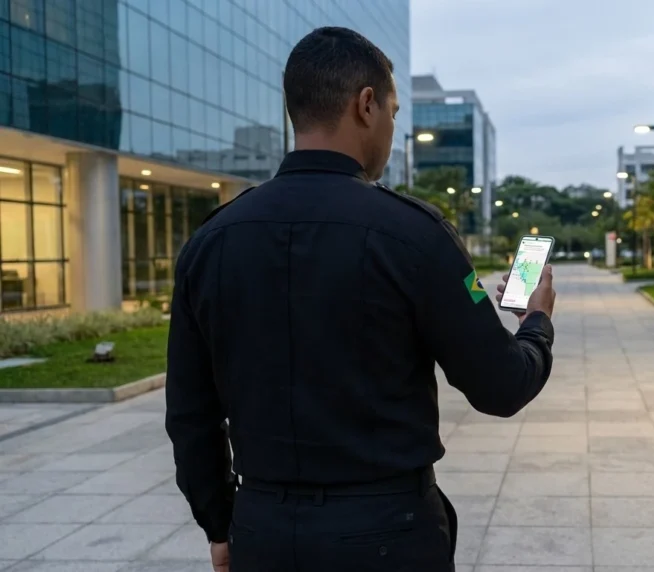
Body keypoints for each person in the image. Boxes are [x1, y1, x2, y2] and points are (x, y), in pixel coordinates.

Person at [164, 26, 556, 572]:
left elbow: (189, 414)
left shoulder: (210, 242)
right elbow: (501, 386)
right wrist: (536, 320)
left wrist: (219, 522)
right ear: (366, 105)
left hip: (263, 531)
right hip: (387, 535)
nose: (392, 129)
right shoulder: (414, 235)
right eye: (393, 112)